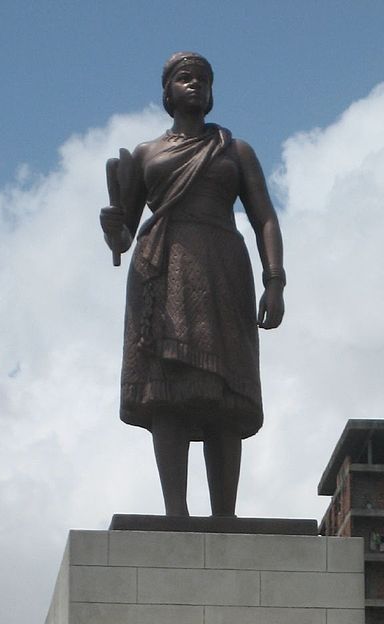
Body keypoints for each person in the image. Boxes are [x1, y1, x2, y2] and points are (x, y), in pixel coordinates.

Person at [100, 52, 285, 517]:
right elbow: (125, 234)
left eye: (203, 80)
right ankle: (175, 513)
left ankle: (225, 513)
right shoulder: (147, 154)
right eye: (185, 79)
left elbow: (264, 217)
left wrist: (275, 280)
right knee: (169, 392)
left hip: (222, 268)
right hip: (161, 269)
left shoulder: (234, 149)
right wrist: (112, 228)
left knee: (225, 391)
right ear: (168, 91)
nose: (195, 86)